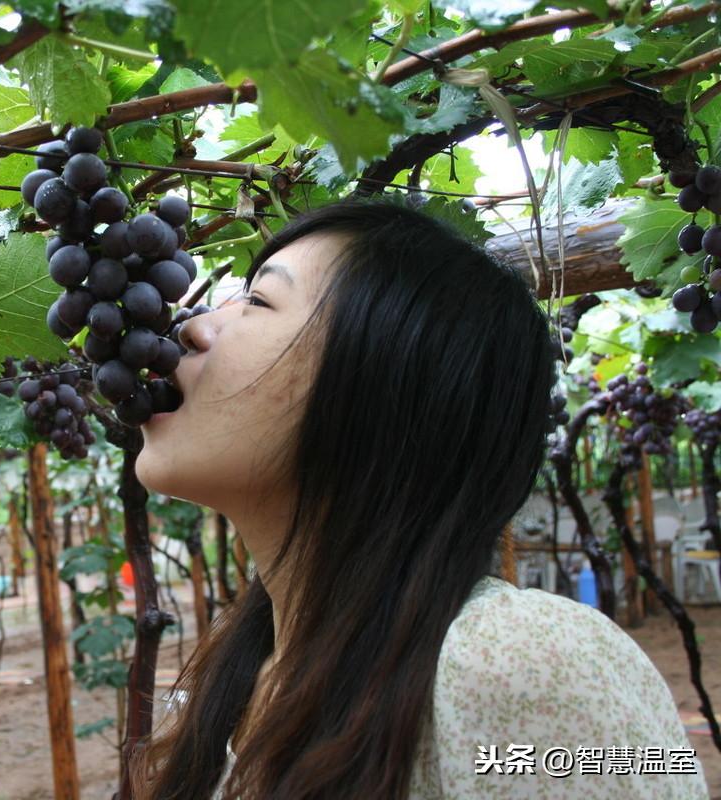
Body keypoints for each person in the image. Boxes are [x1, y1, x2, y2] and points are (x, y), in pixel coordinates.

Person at [130, 199, 709, 799]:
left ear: (384, 379)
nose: (192, 325)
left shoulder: (517, 663)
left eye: (257, 301)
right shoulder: (251, 673)